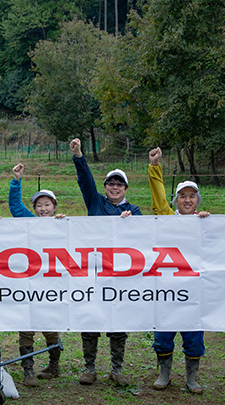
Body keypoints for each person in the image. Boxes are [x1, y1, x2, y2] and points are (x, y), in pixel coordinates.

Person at [70, 137, 141, 386]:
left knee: (118, 321)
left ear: (125, 189)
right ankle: (89, 368)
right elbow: (85, 180)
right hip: (94, 271)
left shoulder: (135, 211)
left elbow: (146, 237)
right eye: (110, 183)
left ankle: (116, 369)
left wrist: (132, 222)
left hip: (122, 275)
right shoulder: (95, 202)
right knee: (90, 319)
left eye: (119, 184)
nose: (114, 187)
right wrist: (79, 156)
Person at [147, 147, 210, 394]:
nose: (187, 199)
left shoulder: (206, 222)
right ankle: (164, 374)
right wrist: (155, 167)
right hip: (165, 289)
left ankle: (191, 378)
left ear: (197, 200)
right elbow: (158, 197)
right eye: (182, 195)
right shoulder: (165, 217)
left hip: (193, 291)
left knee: (194, 337)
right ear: (175, 200)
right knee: (163, 334)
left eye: (192, 196)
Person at [7, 163, 65, 385]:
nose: (43, 209)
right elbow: (14, 205)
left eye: (47, 204)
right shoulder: (27, 221)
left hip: (51, 284)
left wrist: (64, 225)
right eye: (39, 205)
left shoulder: (63, 225)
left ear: (54, 206)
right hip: (28, 282)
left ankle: (54, 365)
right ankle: (28, 370)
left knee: (50, 324)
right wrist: (16, 181)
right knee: (27, 325)